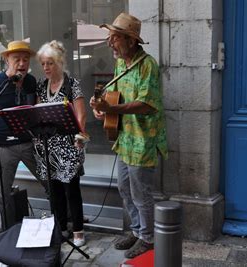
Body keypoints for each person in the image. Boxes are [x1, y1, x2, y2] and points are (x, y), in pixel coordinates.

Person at [89, 13, 168, 259]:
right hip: (125, 138)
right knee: (124, 187)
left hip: (143, 139)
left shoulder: (148, 65)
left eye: (115, 38)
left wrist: (112, 109)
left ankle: (148, 237)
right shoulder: (121, 64)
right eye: (110, 38)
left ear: (131, 41)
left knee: (140, 191)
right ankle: (137, 229)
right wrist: (99, 106)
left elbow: (146, 103)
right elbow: (112, 94)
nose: (110, 43)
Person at [0, 40, 40, 233]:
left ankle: (61, 222)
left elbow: (36, 110)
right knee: (1, 194)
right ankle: (1, 233)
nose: (22, 63)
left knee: (51, 181)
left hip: (29, 143)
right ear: (7, 59)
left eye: (25, 59)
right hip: (3, 147)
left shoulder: (31, 81)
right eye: (17, 59)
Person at [34, 40, 88, 247]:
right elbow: (37, 113)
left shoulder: (72, 84)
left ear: (60, 63)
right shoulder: (41, 85)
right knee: (54, 190)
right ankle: (60, 227)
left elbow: (81, 116)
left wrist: (79, 138)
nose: (46, 68)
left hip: (68, 146)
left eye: (50, 63)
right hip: (47, 146)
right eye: (44, 64)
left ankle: (78, 230)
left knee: (71, 190)